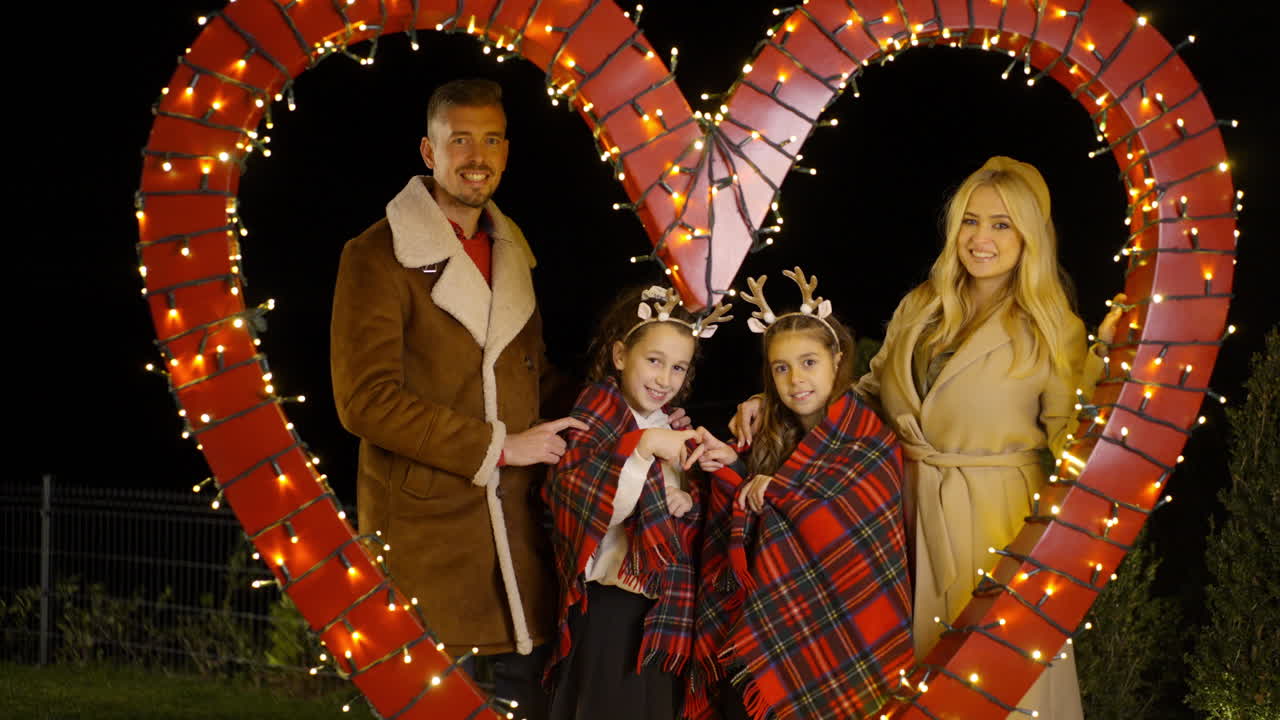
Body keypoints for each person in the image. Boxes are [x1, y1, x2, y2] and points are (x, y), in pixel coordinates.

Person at [732, 158, 1126, 719]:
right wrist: (767, 404)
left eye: (1000, 224)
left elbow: (1074, 444)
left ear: (1029, 235)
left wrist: (1108, 365)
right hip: (902, 516)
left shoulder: (1054, 327)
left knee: (995, 687)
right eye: (969, 220)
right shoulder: (922, 306)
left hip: (997, 525)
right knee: (906, 684)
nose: (980, 238)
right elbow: (866, 394)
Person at [330, 77, 586, 720]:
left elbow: (534, 379)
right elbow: (365, 400)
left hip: (520, 539)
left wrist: (638, 391)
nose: (478, 155)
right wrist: (499, 447)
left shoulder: (512, 250)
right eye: (461, 139)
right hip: (427, 543)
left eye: (492, 139)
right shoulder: (376, 254)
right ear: (428, 151)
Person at [689, 268, 913, 720]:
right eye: (781, 368)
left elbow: (847, 531)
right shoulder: (769, 433)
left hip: (845, 628)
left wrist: (779, 492)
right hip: (765, 627)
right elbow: (747, 515)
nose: (796, 380)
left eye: (809, 362)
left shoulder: (867, 438)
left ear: (835, 358)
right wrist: (730, 468)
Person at [543, 284, 732, 720]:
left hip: (663, 614)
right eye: (654, 361)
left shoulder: (670, 426)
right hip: (608, 607)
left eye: (679, 367)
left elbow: (676, 511)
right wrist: (644, 447)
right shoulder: (595, 413)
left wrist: (686, 496)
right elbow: (589, 508)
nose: (665, 380)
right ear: (620, 355)